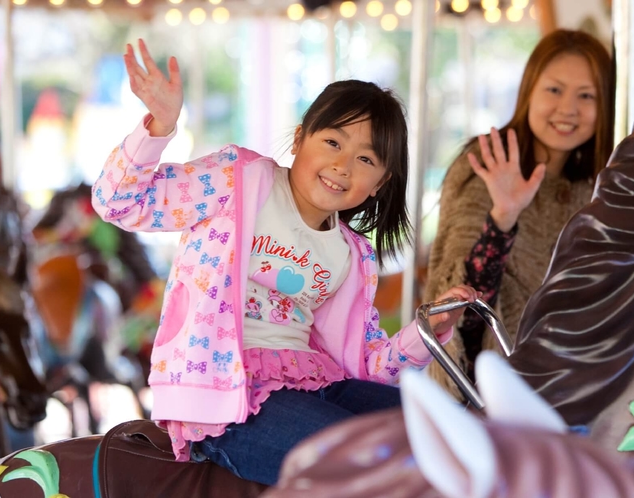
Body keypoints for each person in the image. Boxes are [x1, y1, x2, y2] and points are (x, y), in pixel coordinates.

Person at [91, 39, 478, 486]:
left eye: (365, 158)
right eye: (332, 141)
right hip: (227, 396)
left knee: (452, 428)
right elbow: (119, 202)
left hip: (315, 380)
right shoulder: (238, 181)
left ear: (381, 182)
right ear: (300, 139)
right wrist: (159, 126)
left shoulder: (351, 255)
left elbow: (368, 364)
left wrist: (427, 330)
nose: (342, 165)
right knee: (354, 458)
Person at [423, 29, 614, 396]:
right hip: (493, 379)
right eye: (554, 90)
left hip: (581, 370)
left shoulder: (601, 183)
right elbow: (462, 303)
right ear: (530, 90)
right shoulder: (485, 164)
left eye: (586, 95)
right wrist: (503, 217)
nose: (568, 109)